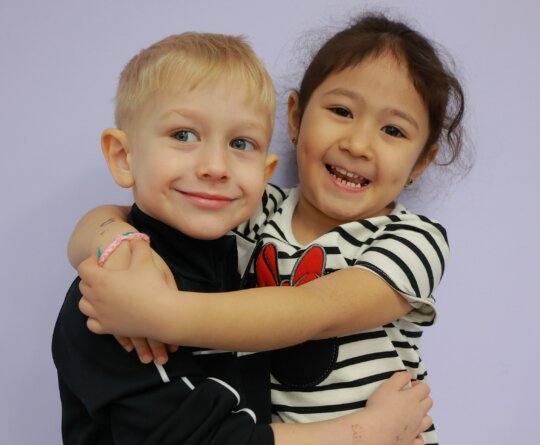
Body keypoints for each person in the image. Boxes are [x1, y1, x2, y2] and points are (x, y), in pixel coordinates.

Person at [53, 30, 433, 445]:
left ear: (262, 173)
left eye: (240, 143)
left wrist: (161, 312)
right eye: (183, 135)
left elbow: (317, 308)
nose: (216, 166)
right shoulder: (118, 296)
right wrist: (114, 242)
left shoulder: (408, 239)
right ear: (124, 156)